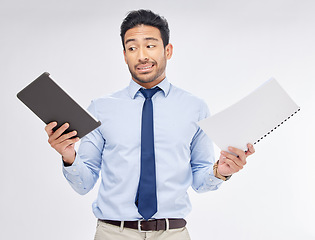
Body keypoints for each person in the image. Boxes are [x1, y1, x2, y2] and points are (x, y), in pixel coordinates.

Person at [45, 9, 255, 240]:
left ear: (168, 50)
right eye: (132, 48)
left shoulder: (195, 107)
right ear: (124, 55)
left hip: (172, 233)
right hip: (113, 233)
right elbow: (83, 185)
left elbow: (200, 182)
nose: (141, 55)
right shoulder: (100, 108)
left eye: (150, 45)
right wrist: (68, 156)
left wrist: (220, 172)